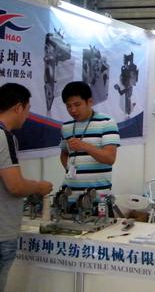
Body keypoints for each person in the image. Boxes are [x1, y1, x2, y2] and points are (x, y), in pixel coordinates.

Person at [0, 83, 53, 291]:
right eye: (28, 109)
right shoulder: (4, 136)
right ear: (18, 107)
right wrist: (39, 187)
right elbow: (15, 186)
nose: (27, 115)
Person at [59, 81, 120, 206]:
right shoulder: (66, 127)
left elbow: (110, 158)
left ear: (89, 102)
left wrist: (84, 146)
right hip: (70, 196)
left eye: (77, 104)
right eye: (68, 106)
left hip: (98, 197)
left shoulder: (107, 123)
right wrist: (71, 171)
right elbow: (64, 154)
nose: (73, 110)